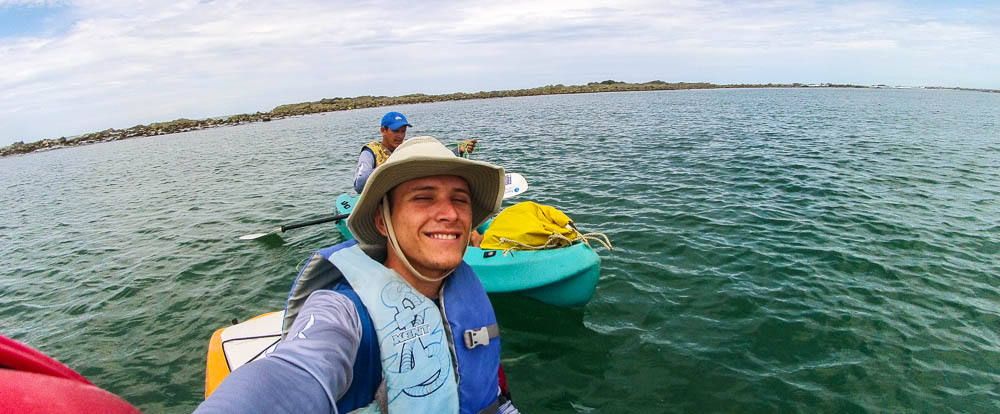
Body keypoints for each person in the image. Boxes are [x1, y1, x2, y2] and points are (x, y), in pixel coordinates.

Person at [197, 136, 516, 414]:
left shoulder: (463, 291)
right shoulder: (341, 312)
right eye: (423, 197)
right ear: (382, 222)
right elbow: (295, 372)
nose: (449, 213)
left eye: (459, 200)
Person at [354, 111, 478, 193]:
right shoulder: (370, 151)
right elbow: (359, 185)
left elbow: (433, 162)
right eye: (396, 131)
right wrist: (392, 166)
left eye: (403, 131)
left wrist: (459, 150)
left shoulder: (407, 149)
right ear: (383, 130)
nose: (400, 136)